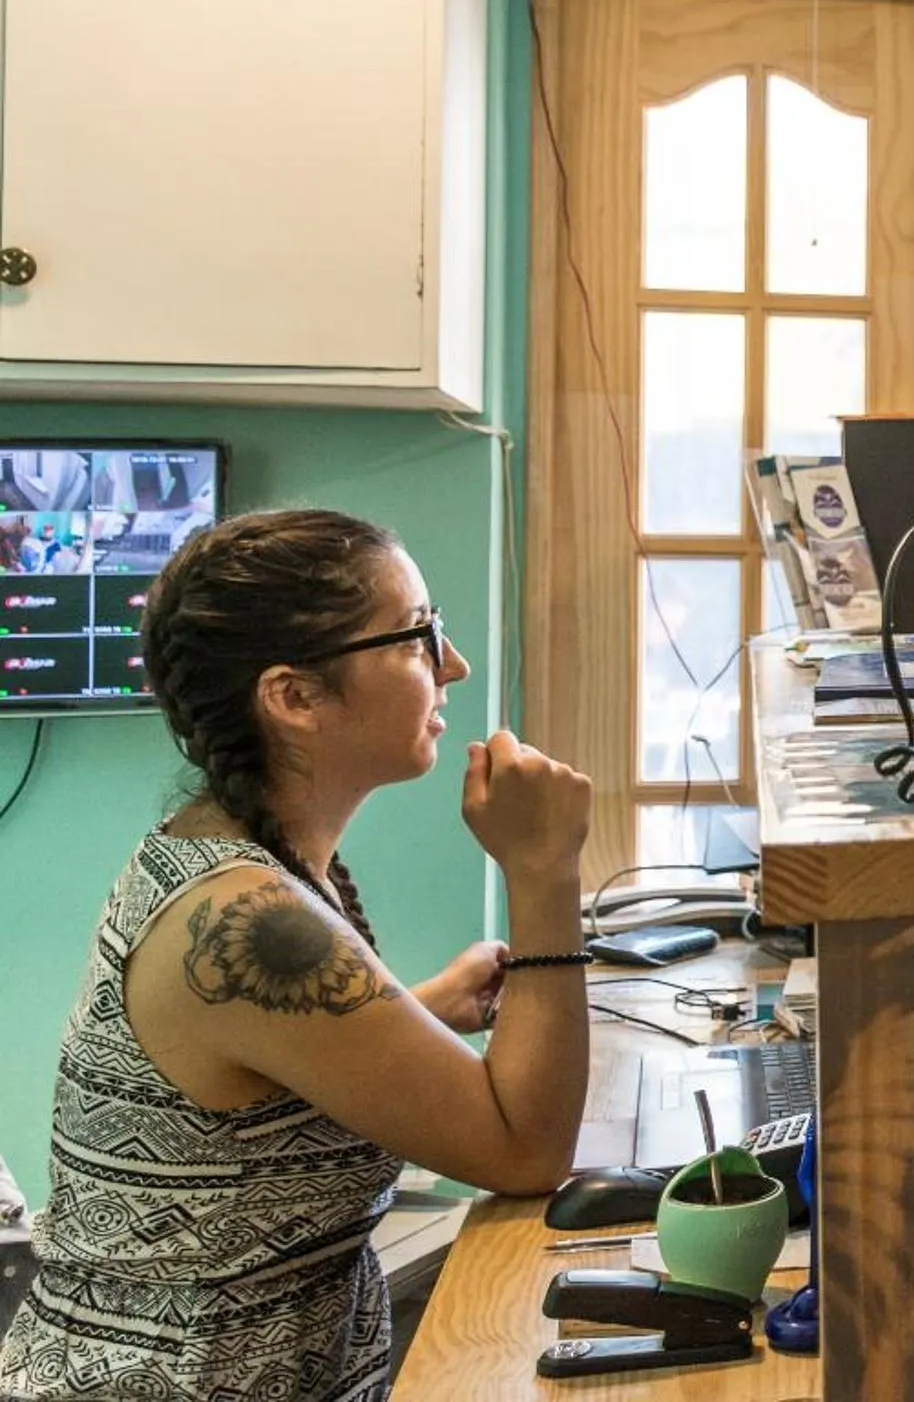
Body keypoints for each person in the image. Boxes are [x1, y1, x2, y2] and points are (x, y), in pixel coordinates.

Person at [0, 510, 595, 1402]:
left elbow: (250, 1096)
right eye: (419, 635)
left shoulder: (237, 858)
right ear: (295, 697)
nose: (454, 665)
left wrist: (420, 1009)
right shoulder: (252, 916)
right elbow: (526, 1150)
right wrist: (543, 870)